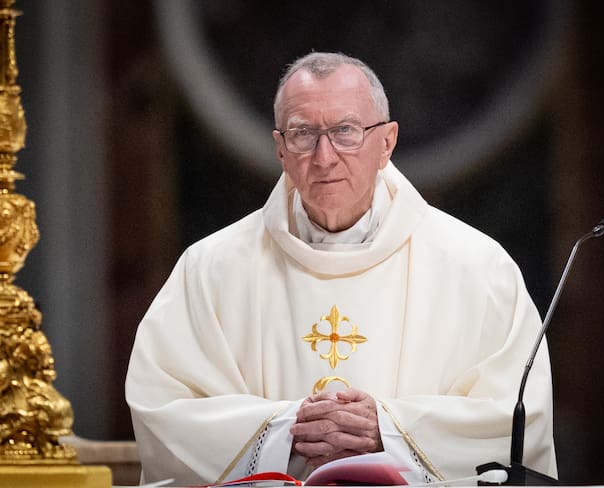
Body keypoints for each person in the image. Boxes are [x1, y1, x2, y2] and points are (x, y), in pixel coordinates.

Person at [125, 52, 557, 485]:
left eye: (345, 131)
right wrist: (287, 430)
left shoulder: (478, 269)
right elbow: (163, 409)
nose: (324, 156)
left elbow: (518, 419)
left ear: (386, 143)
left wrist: (387, 429)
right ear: (280, 148)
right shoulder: (210, 270)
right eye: (302, 134)